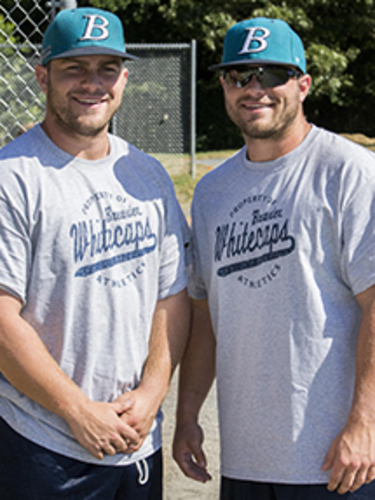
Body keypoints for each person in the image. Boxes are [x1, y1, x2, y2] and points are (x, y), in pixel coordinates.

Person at [173, 16, 375, 500]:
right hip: (246, 459)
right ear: (223, 85)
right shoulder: (212, 192)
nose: (254, 88)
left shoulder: (349, 171)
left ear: (303, 85)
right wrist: (186, 415)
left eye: (271, 75)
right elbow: (205, 315)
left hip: (337, 460)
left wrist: (364, 424)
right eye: (239, 75)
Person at [0, 7, 190, 500]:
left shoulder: (146, 174)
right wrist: (77, 410)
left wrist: (152, 393)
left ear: (125, 77)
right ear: (42, 76)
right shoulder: (14, 177)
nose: (93, 83)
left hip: (135, 442)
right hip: (41, 446)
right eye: (73, 68)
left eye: (107, 68)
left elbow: (171, 297)